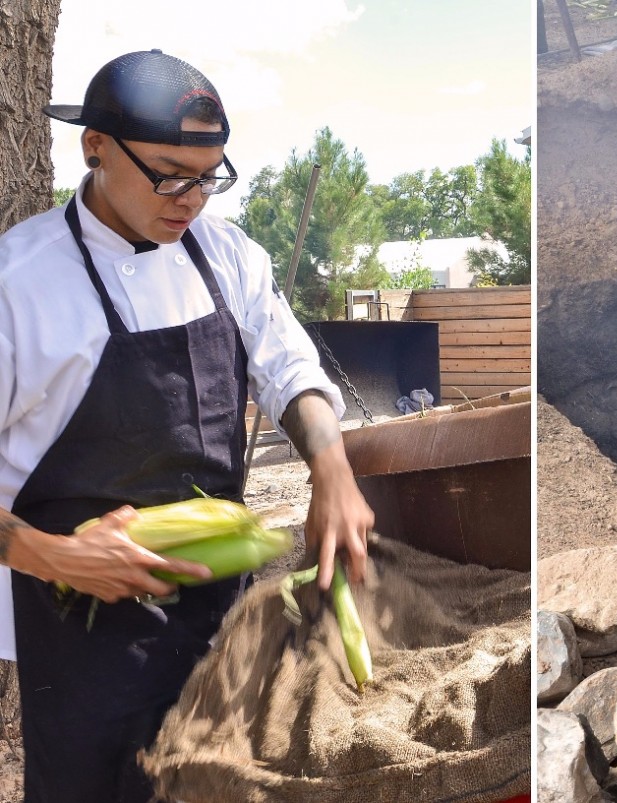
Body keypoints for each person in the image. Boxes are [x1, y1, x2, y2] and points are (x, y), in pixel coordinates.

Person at [0, 50, 374, 802]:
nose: (192, 199)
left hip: (217, 625)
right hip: (79, 646)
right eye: (170, 174)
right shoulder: (18, 284)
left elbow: (288, 367)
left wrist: (331, 466)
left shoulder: (226, 256)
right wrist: (54, 556)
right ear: (95, 148)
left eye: (210, 175)